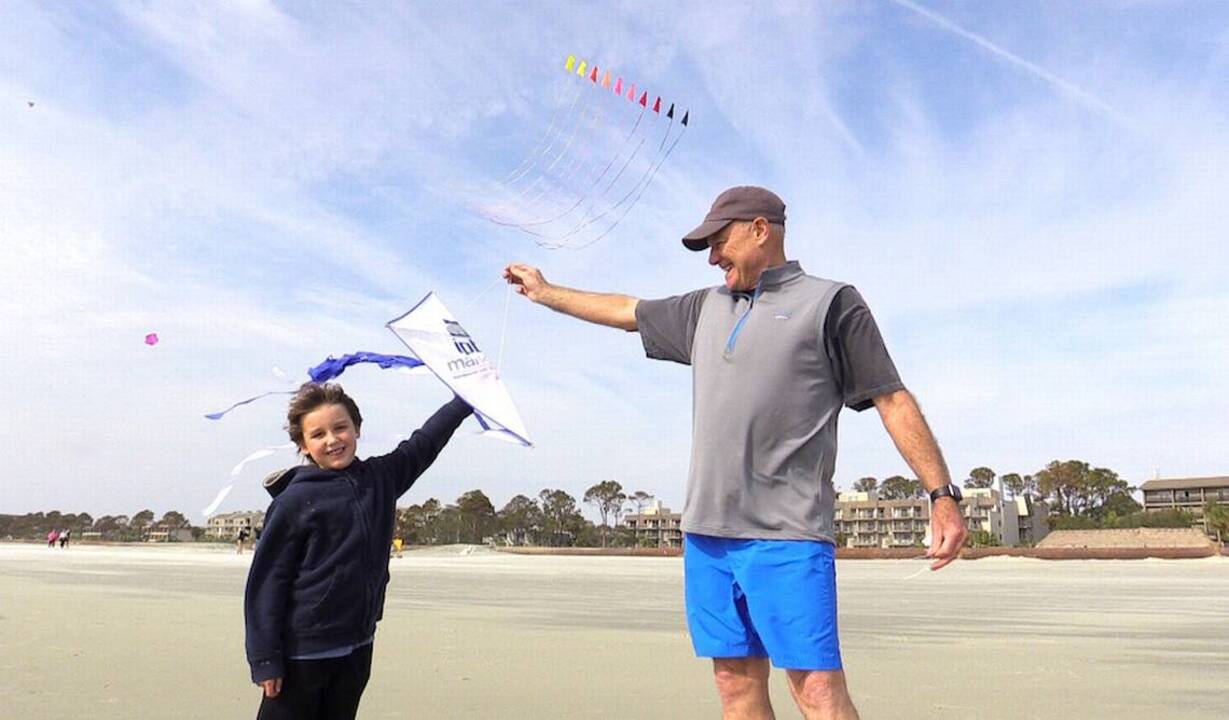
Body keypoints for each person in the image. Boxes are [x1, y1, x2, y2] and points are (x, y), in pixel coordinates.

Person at [504, 186, 967, 720]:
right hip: (708, 536)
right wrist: (545, 292)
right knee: (733, 685)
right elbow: (627, 310)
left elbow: (892, 398)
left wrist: (941, 494)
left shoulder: (831, 302)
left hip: (787, 535)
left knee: (816, 690)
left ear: (760, 229)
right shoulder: (705, 307)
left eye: (719, 241)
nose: (712, 256)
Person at [244, 382, 471, 720]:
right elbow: (267, 583)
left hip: (358, 645)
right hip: (302, 653)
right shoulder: (294, 501)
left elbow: (424, 443)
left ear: (357, 429)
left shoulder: (381, 478)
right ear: (303, 444)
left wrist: (465, 401)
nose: (332, 440)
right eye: (318, 434)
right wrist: (265, 659)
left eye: (340, 428)